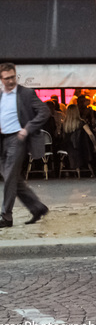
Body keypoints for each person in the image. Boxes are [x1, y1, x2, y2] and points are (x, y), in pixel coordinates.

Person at [0, 62, 50, 228]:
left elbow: (44, 111)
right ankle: (37, 207)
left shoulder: (26, 93)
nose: (11, 81)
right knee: (12, 178)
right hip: (2, 140)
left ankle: (6, 216)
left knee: (9, 179)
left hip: (17, 139)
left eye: (13, 77)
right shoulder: (0, 95)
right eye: (7, 78)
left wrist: (27, 128)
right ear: (1, 79)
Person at [60, 104, 96, 172]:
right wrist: (95, 145)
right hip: (80, 147)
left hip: (67, 147)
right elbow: (90, 134)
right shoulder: (81, 122)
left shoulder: (64, 124)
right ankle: (90, 170)